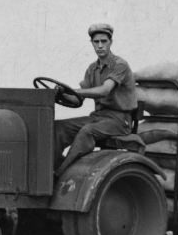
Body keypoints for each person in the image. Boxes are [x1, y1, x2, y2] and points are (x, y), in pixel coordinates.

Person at [53, 23, 137, 175]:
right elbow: (77, 99)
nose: (100, 46)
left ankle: (62, 173)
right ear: (91, 43)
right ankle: (53, 166)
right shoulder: (92, 69)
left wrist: (78, 91)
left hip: (120, 121)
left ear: (110, 42)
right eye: (96, 42)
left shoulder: (120, 65)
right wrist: (61, 95)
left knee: (88, 131)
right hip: (99, 117)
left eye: (103, 41)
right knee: (58, 128)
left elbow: (105, 90)